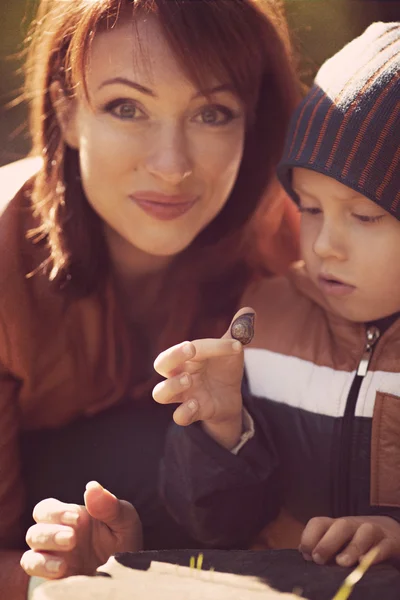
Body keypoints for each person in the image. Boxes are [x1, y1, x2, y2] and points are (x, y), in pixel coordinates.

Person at [0, 0, 300, 596]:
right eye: (127, 107)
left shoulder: (291, 247)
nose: (171, 166)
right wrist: (59, 580)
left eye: (213, 112)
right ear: (68, 111)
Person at [151, 21, 400, 567]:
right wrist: (223, 431)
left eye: (365, 214)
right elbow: (213, 526)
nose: (326, 245)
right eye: (309, 208)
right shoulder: (269, 318)